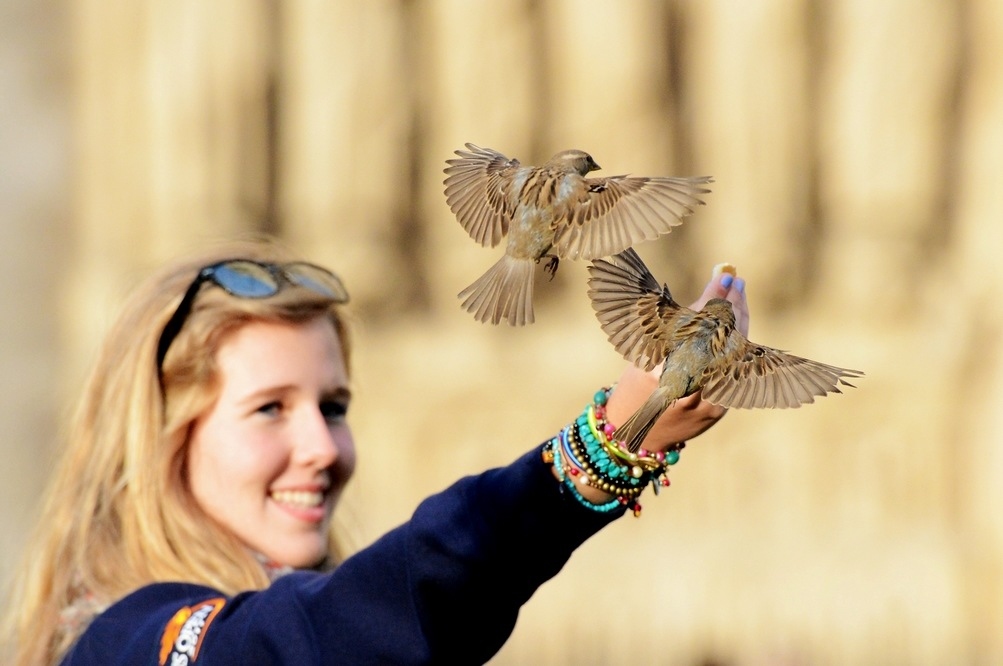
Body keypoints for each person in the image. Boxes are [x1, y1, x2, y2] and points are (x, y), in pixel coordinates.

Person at [0, 237, 749, 665]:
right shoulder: (121, 645)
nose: (321, 448)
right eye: (269, 410)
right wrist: (599, 449)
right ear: (160, 440)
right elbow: (328, 636)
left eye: (333, 407)